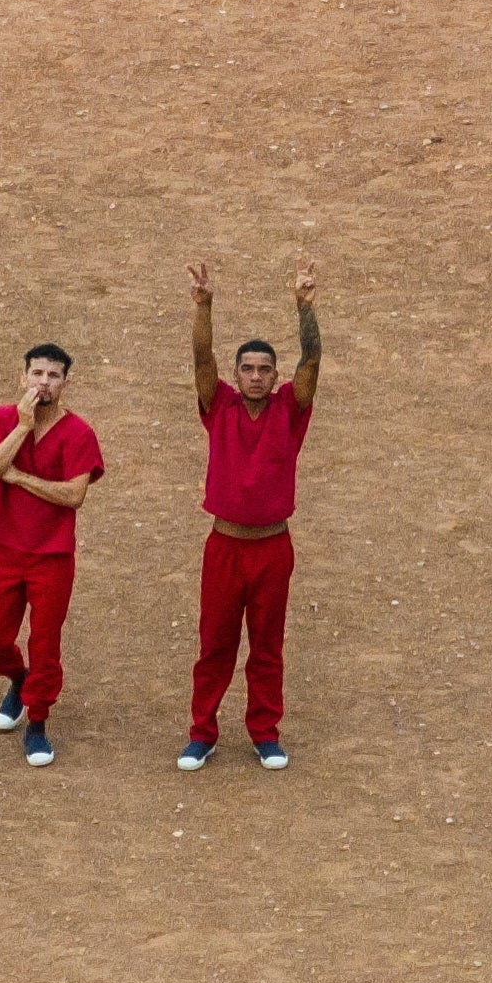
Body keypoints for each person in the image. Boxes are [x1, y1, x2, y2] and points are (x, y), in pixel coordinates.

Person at [177, 260, 321, 771]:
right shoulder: (219, 406)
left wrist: (305, 307)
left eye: (264, 369)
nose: (256, 376)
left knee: (267, 645)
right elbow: (200, 355)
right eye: (248, 369)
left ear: (274, 376)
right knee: (214, 644)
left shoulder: (290, 408)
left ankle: (265, 732)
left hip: (273, 548)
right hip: (225, 546)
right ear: (234, 376)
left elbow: (313, 359)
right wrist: (204, 306)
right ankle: (202, 732)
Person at [0, 344, 104, 767]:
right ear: (23, 376)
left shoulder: (79, 433)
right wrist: (22, 429)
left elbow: (74, 494)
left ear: (66, 382)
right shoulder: (3, 419)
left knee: (45, 643)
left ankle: (38, 724)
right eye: (37, 374)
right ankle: (17, 678)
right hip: (6, 551)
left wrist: (20, 478)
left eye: (53, 375)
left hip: (53, 557)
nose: (43, 383)